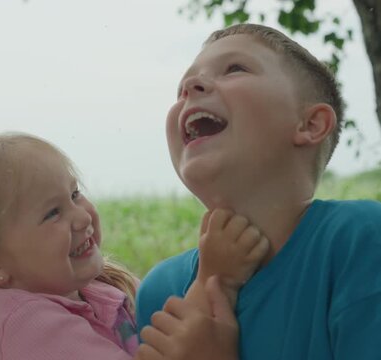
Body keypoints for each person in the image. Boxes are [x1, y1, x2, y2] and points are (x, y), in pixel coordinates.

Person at [0, 132, 268, 360]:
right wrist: (217, 277)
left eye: (75, 194)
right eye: (52, 213)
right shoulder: (27, 327)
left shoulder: (79, 293)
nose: (81, 217)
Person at [136, 23, 381, 359]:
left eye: (235, 69)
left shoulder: (361, 239)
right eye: (181, 89)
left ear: (310, 125)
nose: (189, 88)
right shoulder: (160, 291)